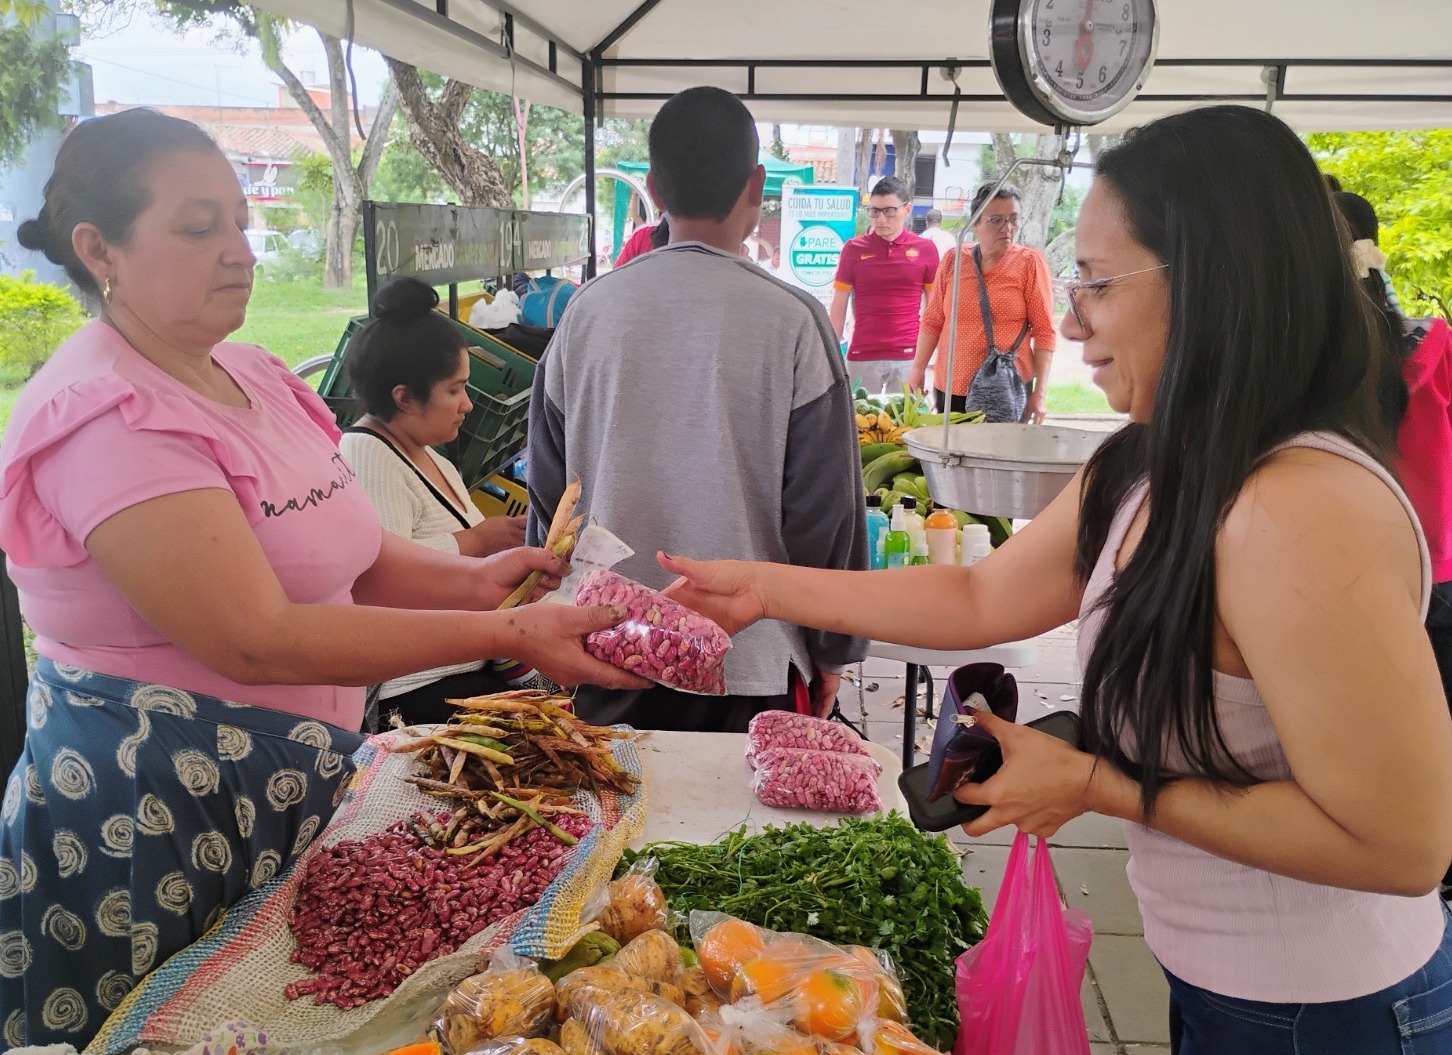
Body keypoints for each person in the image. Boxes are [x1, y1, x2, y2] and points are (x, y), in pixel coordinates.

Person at [663, 105, 1452, 1054]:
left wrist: (1101, 784)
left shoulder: (1303, 506)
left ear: (1212, 283)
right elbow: (980, 596)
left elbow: (1405, 842)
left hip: (1336, 1014)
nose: (1069, 318)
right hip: (1218, 983)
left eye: (1096, 281)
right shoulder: (1157, 456)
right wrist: (762, 588)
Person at [0, 108, 645, 1048]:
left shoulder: (252, 375)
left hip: (296, 792)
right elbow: (255, 635)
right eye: (197, 227)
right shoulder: (105, 413)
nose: (237, 249)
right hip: (157, 825)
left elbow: (354, 555)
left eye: (238, 221)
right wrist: (505, 634)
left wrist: (481, 578)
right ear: (99, 248)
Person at [525, 86, 867, 733]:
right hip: (753, 663)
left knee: (619, 830)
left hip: (605, 653)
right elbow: (826, 518)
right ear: (756, 185)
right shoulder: (795, 323)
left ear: (653, 187)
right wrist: (832, 650)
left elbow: (550, 503)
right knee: (754, 833)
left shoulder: (586, 315)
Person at [339, 276, 568, 727]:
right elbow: (377, 580)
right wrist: (475, 542)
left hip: (473, 665)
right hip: (415, 686)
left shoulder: (433, 457)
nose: (467, 404)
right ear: (404, 398)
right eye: (454, 390)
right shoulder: (365, 452)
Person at [908, 182, 1056, 423]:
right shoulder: (954, 260)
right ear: (975, 223)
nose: (1007, 228)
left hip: (1007, 387)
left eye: (1013, 219)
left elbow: (1045, 331)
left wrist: (1040, 393)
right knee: (953, 455)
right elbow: (933, 320)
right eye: (996, 220)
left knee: (1000, 457)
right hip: (951, 386)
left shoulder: (1029, 263)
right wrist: (917, 370)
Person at [829, 176, 940, 395]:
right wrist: (831, 354)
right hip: (861, 354)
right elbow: (838, 305)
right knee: (858, 424)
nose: (880, 219)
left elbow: (933, 308)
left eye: (889, 211)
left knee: (904, 427)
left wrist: (926, 359)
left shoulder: (925, 250)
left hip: (908, 356)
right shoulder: (853, 249)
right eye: (874, 211)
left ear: (907, 209)